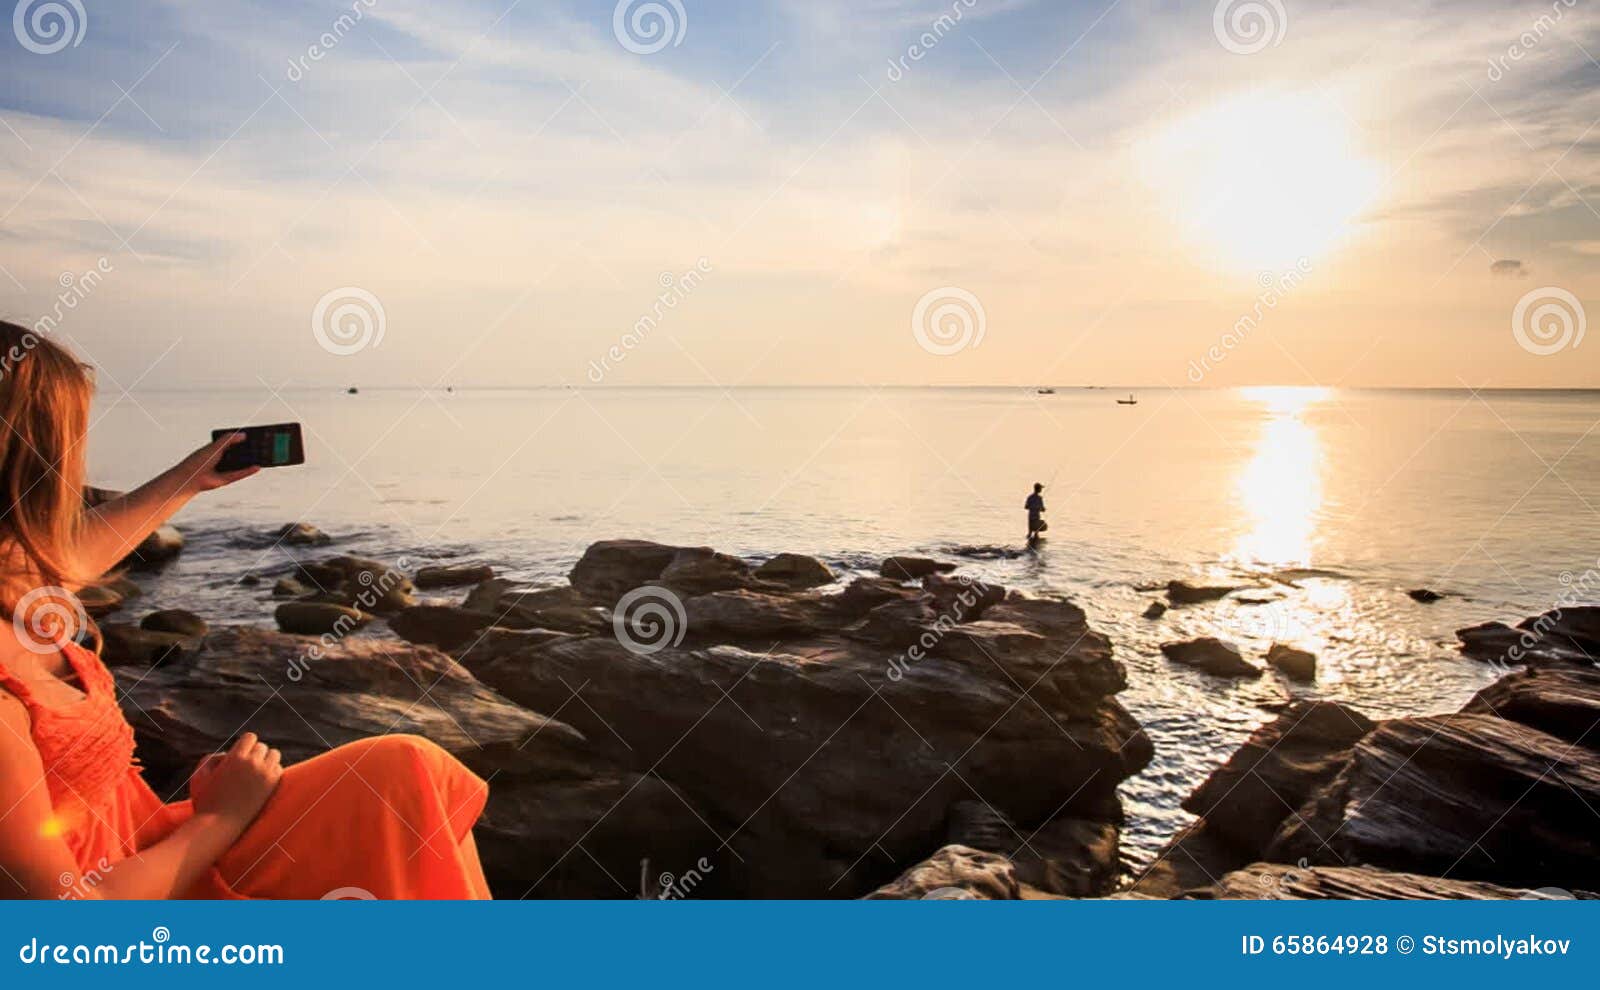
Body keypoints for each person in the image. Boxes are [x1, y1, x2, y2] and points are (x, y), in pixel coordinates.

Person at [0, 321, 491, 899]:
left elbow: (62, 559)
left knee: (407, 770)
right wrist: (222, 818)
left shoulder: (22, 595)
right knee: (399, 791)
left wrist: (190, 478)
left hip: (152, 847)